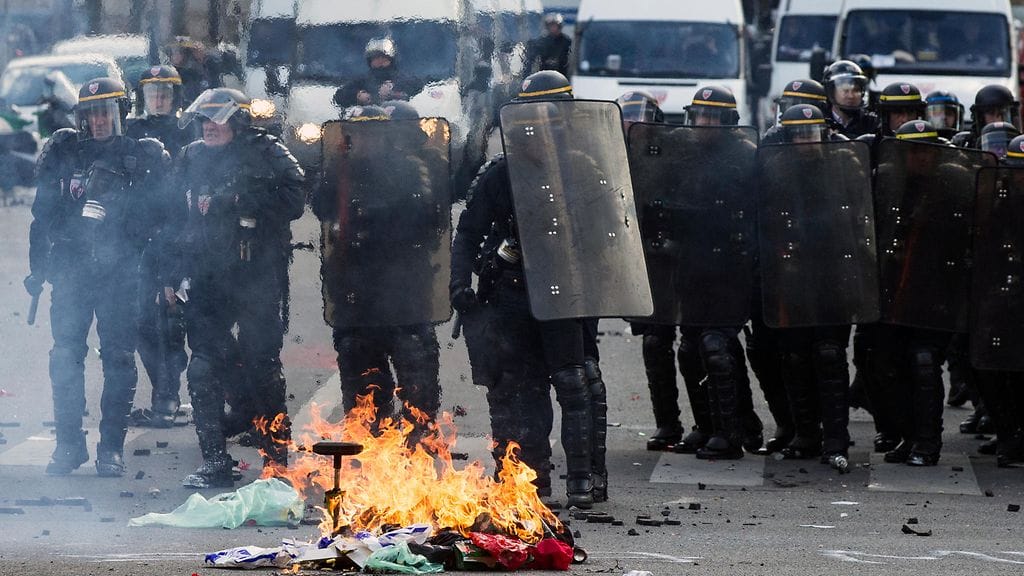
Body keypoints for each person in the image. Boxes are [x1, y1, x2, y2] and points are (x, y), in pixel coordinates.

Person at [450, 71, 597, 507]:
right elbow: (468, 233)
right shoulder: (500, 173)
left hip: (566, 292)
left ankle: (584, 479)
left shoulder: (584, 168)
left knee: (573, 383)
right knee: (521, 388)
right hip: (512, 293)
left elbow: (610, 232)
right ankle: (531, 482)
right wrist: (459, 282)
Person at [26, 77, 169, 476]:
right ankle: (68, 445)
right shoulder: (65, 151)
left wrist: (118, 215)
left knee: (119, 358)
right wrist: (38, 268)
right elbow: (42, 216)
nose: (100, 121)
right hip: (71, 271)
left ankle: (111, 449)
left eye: (106, 112)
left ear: (120, 113)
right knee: (64, 356)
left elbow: (161, 217)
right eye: (92, 114)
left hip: (119, 274)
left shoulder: (139, 156)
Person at [167, 88, 304, 488]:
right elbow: (173, 219)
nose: (209, 127)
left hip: (254, 275)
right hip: (206, 278)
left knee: (263, 364)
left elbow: (296, 196)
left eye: (218, 120)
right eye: (204, 120)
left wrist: (245, 199)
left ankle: (277, 460)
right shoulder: (190, 157)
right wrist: (169, 275)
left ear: (238, 122)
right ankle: (214, 461)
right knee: (204, 366)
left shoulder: (267, 151)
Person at [312, 103, 444, 442]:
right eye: (358, 134)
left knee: (416, 378)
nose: (365, 140)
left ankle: (418, 447)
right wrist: (337, 167)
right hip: (354, 291)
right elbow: (320, 206)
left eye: (372, 133)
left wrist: (380, 217)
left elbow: (431, 220)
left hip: (403, 289)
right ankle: (372, 449)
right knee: (361, 382)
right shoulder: (341, 171)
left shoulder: (410, 168)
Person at [771, 104, 853, 471]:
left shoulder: (843, 163)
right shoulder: (775, 168)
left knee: (829, 353)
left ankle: (836, 439)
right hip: (792, 275)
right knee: (794, 355)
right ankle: (806, 433)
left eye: (812, 133)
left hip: (832, 273)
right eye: (799, 134)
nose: (806, 141)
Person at [126, 64, 191, 429]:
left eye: (165, 93)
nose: (159, 99)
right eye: (153, 93)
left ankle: (174, 395)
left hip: (181, 233)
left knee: (175, 322)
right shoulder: (133, 132)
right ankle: (162, 393)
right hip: (142, 238)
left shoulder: (188, 132)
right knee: (143, 322)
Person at [332, 39, 424, 109]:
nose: (380, 61)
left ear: (391, 60)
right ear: (370, 61)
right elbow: (339, 96)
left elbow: (418, 84)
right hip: (367, 123)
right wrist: (358, 95)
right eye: (375, 58)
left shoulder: (401, 77)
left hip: (402, 122)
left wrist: (392, 87)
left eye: (383, 57)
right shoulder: (363, 80)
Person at [762, 79, 830, 144]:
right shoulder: (775, 136)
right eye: (786, 106)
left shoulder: (831, 136)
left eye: (799, 105)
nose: (793, 112)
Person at [822, 60, 878, 139]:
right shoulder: (820, 122)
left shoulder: (872, 123)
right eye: (845, 91)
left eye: (856, 90)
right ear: (831, 92)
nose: (851, 96)